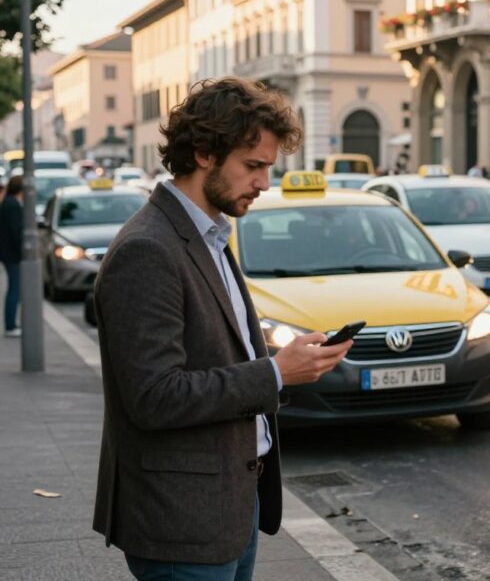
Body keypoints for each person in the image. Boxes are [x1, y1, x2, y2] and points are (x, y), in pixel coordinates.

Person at [91, 78, 354, 581]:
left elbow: (220, 356)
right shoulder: (147, 249)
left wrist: (286, 365)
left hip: (233, 506)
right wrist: (276, 373)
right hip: (181, 522)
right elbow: (153, 396)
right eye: (253, 166)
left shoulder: (207, 234)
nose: (263, 183)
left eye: (268, 168)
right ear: (206, 153)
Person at [0, 175, 23, 337]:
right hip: (12, 254)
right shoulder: (13, 205)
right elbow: (16, 233)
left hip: (8, 253)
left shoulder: (8, 202)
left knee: (14, 287)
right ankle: (10, 325)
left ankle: (11, 323)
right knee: (15, 288)